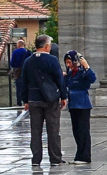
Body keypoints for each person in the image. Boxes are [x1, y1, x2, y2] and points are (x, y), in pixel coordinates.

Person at [21, 34, 67, 167]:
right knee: (53, 129)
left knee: (35, 130)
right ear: (47, 47)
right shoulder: (52, 60)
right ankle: (55, 158)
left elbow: (24, 81)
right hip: (50, 98)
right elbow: (59, 79)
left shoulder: (28, 61)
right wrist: (63, 96)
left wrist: (25, 100)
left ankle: (36, 159)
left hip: (33, 99)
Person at [63, 49, 97, 164]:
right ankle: (79, 155)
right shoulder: (69, 74)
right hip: (73, 104)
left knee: (83, 130)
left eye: (69, 62)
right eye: (66, 62)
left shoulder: (82, 72)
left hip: (82, 104)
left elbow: (92, 78)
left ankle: (85, 156)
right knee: (76, 131)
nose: (68, 65)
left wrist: (86, 66)